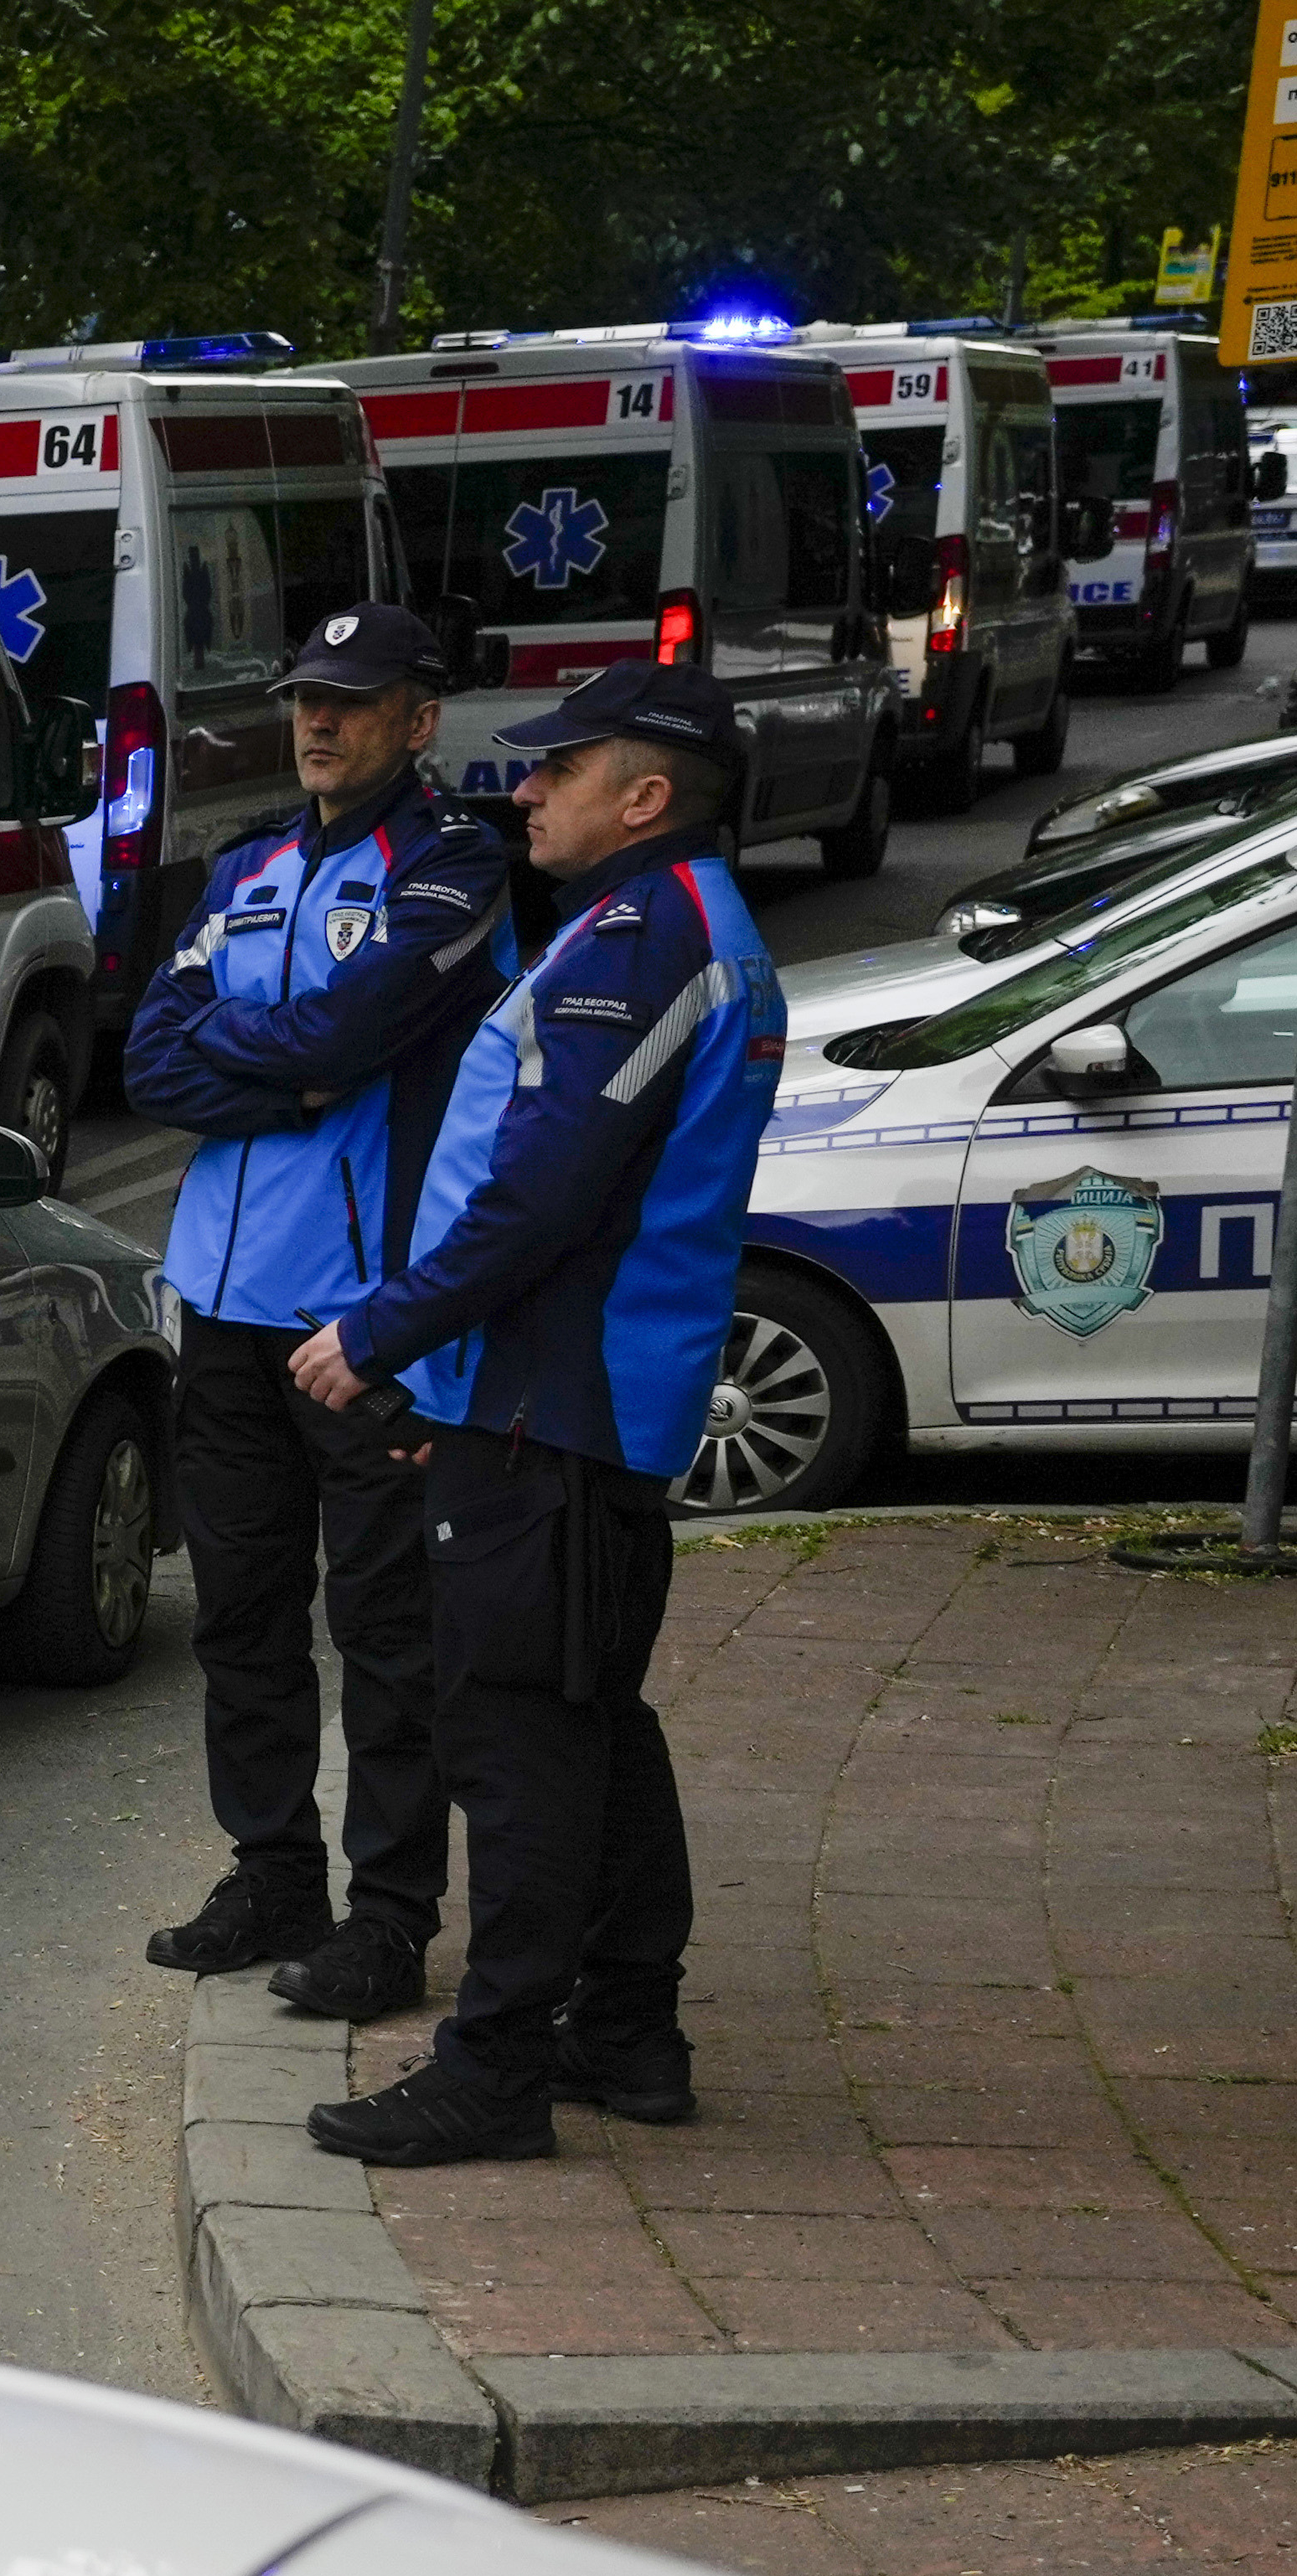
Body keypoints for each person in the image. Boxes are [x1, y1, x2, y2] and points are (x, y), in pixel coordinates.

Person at [286, 659, 782, 2167]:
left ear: (640, 799)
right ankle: (624, 2031)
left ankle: (490, 2069)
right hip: (554, 1403)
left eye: (556, 771)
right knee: (588, 1724)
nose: (523, 789)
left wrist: (379, 1336)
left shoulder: (636, 940)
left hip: (551, 1408)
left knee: (512, 1747)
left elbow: (541, 1190)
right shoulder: (665, 929)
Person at [119, 603, 513, 2021]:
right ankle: (269, 1874)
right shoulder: (242, 868)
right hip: (218, 1315)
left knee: (385, 1635)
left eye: (351, 700)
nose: (316, 722)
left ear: (418, 720)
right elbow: (144, 1061)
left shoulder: (454, 866)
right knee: (238, 1617)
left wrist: (292, 1055)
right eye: (303, 697)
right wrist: (286, 1079)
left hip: (358, 1326)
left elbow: (357, 1032)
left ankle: (389, 1916)